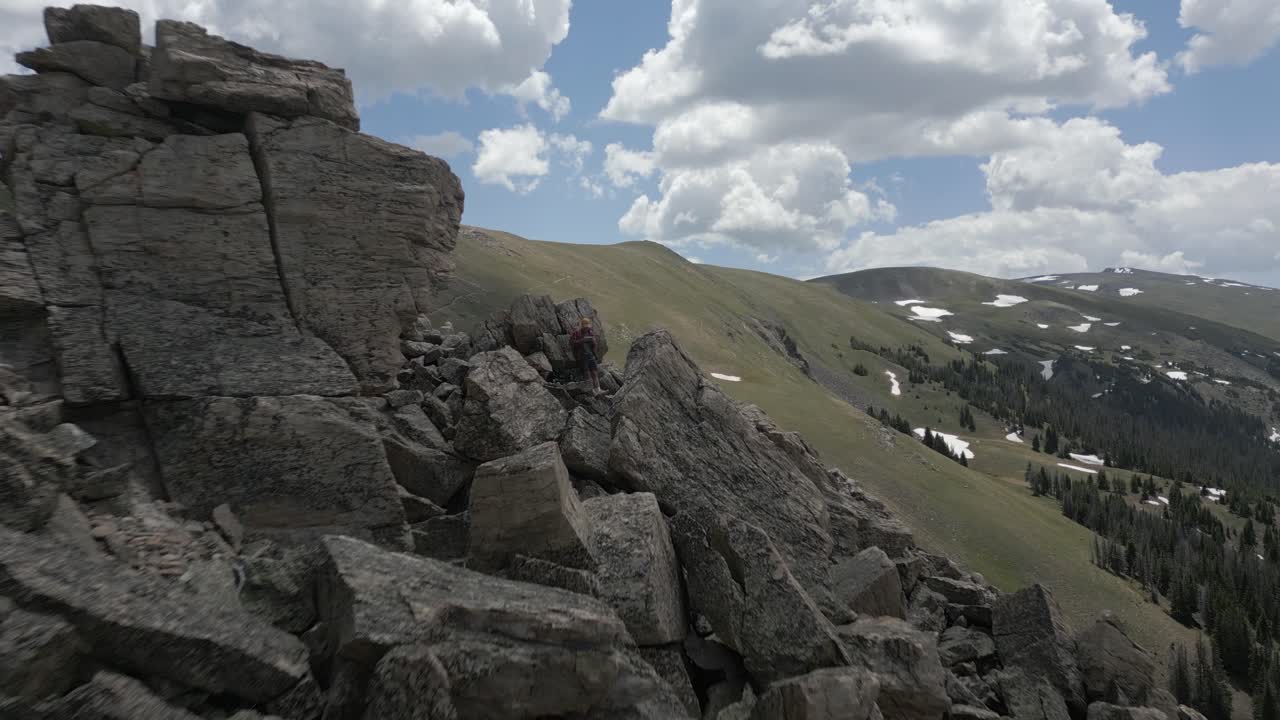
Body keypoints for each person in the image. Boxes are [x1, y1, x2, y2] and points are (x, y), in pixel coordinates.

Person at [570, 316, 602, 394]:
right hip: (582, 356)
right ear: (582, 326)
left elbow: (594, 346)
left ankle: (598, 390)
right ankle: (591, 391)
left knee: (594, 373)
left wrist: (595, 353)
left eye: (587, 327)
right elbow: (572, 343)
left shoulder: (590, 333)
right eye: (585, 327)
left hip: (591, 355)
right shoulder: (576, 333)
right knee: (587, 374)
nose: (586, 328)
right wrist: (583, 340)